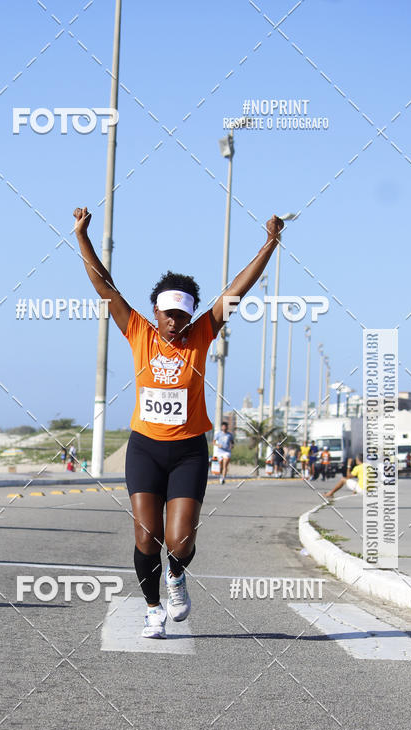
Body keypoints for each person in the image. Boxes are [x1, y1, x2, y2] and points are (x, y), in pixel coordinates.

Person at [74, 204, 283, 638]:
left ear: (191, 314)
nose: (173, 321)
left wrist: (270, 244)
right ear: (155, 311)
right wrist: (82, 236)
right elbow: (103, 284)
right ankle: (153, 609)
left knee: (180, 541)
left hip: (188, 450)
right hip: (145, 448)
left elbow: (238, 289)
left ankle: (176, 574)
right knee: (146, 536)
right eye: (167, 313)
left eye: (181, 314)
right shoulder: (138, 331)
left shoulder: (203, 333)